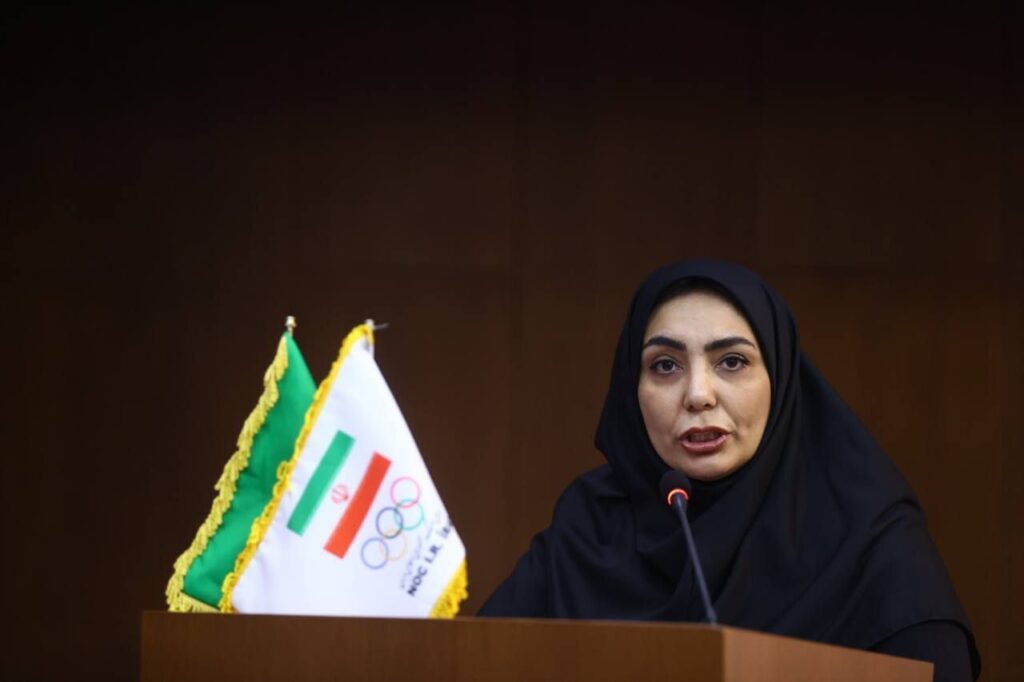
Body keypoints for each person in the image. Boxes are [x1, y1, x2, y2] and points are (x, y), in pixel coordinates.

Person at [478, 260, 980, 682]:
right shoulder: (590, 527)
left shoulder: (868, 536)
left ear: (779, 378)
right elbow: (473, 661)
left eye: (732, 362)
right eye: (665, 365)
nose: (698, 394)